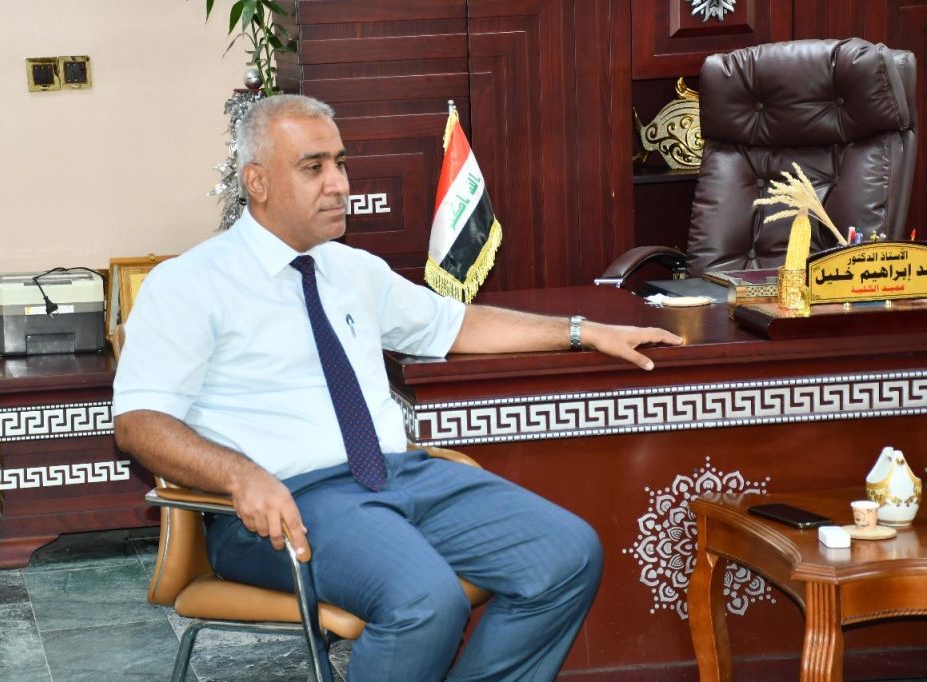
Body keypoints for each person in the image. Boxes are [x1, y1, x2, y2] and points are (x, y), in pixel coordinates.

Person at [113, 94, 683, 681]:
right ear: (256, 182)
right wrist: (241, 477)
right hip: (284, 506)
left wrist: (583, 332)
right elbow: (138, 423)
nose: (338, 184)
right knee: (425, 601)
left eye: (341, 163)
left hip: (398, 475)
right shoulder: (189, 284)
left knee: (565, 555)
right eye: (313, 167)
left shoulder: (352, 269)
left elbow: (458, 325)